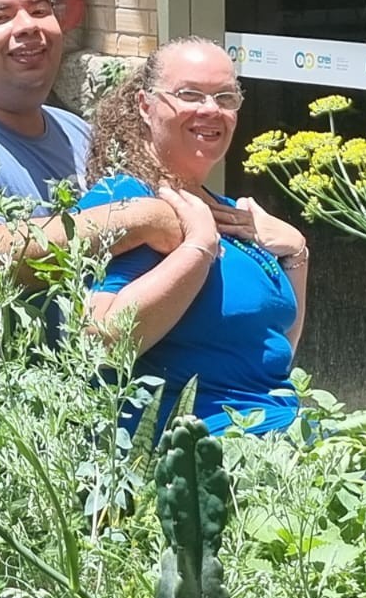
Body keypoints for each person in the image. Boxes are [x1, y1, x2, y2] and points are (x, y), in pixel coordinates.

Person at [0, 0, 254, 317]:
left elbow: (176, 205)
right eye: (0, 17)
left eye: (41, 10)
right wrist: (140, 220)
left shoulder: (76, 131)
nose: (28, 25)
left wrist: (257, 231)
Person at [77, 36, 310, 436]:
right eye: (190, 94)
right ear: (145, 106)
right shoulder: (130, 202)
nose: (210, 110)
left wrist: (297, 254)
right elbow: (103, 340)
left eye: (225, 97)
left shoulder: (230, 213)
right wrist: (198, 246)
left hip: (281, 428)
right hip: (207, 451)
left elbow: (274, 351)